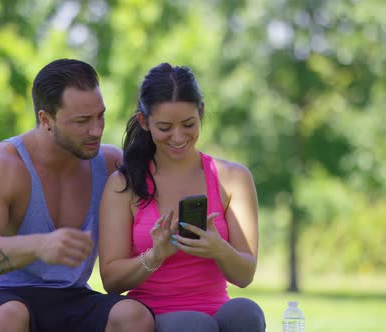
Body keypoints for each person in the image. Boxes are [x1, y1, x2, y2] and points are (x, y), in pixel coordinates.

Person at [0, 59, 155, 332]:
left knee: (133, 316)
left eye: (100, 115)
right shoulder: (1, 167)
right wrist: (40, 246)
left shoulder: (110, 164)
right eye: (82, 121)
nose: (96, 130)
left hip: (69, 296)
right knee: (9, 316)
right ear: (46, 120)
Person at [98, 63, 266, 332]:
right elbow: (111, 280)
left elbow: (245, 275)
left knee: (246, 311)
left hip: (216, 311)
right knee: (193, 325)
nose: (178, 137)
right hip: (156, 316)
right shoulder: (123, 185)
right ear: (144, 122)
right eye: (164, 127)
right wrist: (155, 256)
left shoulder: (233, 179)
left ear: (201, 113)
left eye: (188, 124)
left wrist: (218, 249)